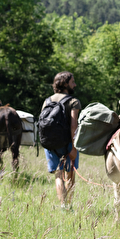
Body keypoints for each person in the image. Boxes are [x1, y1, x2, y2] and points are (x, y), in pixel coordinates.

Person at [42, 71, 81, 210]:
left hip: (50, 143)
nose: (75, 85)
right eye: (72, 82)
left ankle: (63, 206)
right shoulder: (73, 101)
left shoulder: (47, 101)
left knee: (58, 175)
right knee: (70, 176)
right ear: (65, 84)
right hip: (68, 143)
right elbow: (74, 125)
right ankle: (69, 206)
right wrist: (74, 148)